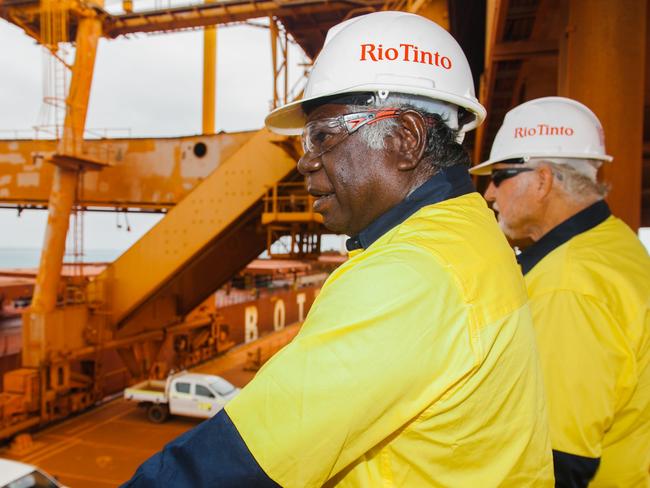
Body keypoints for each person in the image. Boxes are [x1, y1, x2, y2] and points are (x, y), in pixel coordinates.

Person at [123, 11, 553, 487]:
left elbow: (240, 464)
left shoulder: (409, 273)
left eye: (322, 136)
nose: (306, 162)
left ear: (406, 138)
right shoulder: (468, 232)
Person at [471, 96, 650, 487]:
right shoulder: (613, 244)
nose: (489, 193)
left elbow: (556, 462)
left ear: (542, 180)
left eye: (499, 176)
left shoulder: (568, 283)